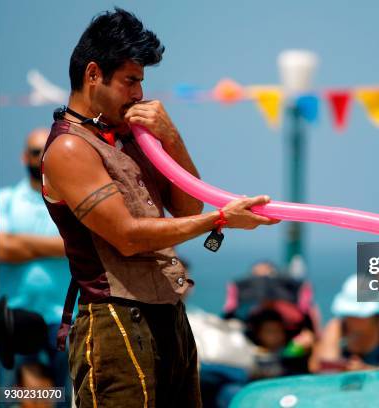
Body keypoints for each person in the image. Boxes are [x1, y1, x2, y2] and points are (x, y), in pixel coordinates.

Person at [41, 8, 278, 408]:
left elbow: (188, 203)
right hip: (113, 321)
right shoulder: (69, 147)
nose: (138, 94)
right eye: (130, 81)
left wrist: (171, 136)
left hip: (168, 314)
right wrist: (220, 219)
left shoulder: (129, 137)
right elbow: (128, 237)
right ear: (93, 74)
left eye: (140, 82)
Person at [0, 129, 70, 400]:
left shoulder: (72, 205)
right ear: (23, 156)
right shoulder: (3, 201)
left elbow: (83, 247)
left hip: (62, 321)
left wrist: (23, 245)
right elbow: (2, 248)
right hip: (13, 318)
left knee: (65, 397)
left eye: (47, 152)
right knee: (7, 397)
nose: (41, 159)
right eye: (36, 152)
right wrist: (62, 247)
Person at [309, 274, 379, 373]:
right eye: (350, 313)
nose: (353, 318)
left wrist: (364, 370)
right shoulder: (336, 326)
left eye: (359, 314)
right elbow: (326, 371)